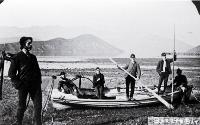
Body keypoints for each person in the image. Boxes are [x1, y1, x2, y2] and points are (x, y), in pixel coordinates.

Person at [8, 36, 42, 125]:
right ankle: (18, 123)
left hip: (35, 86)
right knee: (21, 107)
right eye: (29, 43)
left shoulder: (33, 57)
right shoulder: (17, 57)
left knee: (38, 107)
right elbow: (11, 74)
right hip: (23, 86)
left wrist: (39, 82)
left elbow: (38, 71)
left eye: (31, 43)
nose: (31, 45)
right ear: (23, 44)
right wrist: (19, 85)